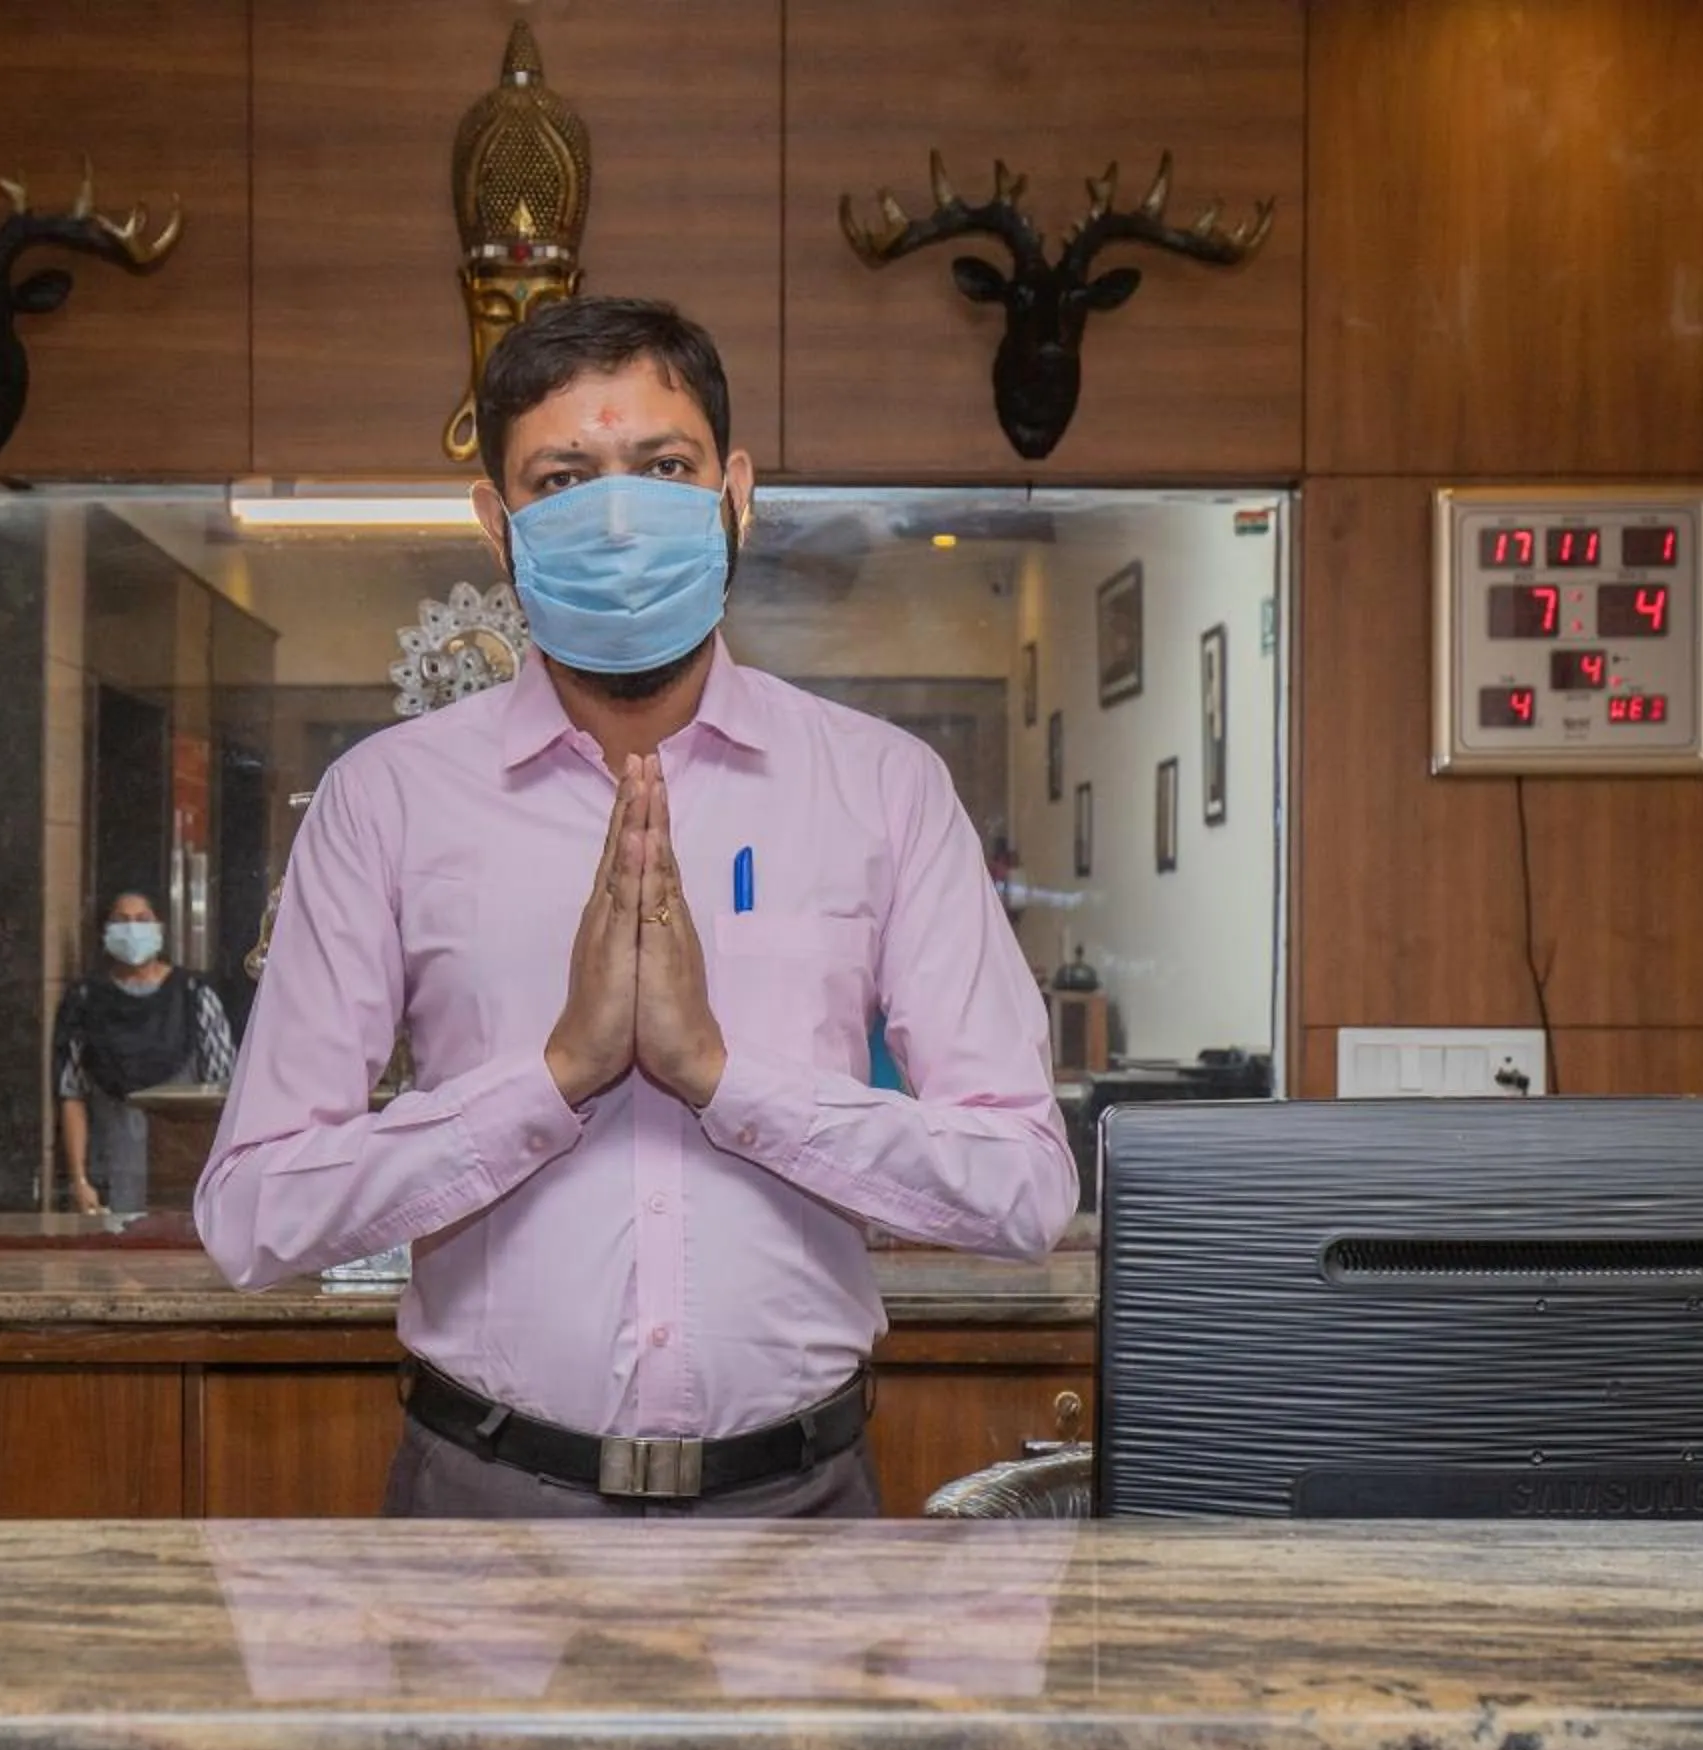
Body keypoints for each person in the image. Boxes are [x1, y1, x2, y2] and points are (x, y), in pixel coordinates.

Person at [196, 296, 1075, 1519]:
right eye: (563, 478)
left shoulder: (881, 789)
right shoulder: (386, 801)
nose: (616, 515)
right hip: (481, 1513)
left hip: (801, 1511)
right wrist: (553, 1077)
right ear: (497, 526)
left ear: (735, 494)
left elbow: (1023, 1189)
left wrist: (722, 1076)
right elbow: (254, 1215)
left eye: (663, 466)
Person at [53, 890, 236, 1215]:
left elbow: (224, 1093)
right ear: (105, 931)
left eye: (142, 920)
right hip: (108, 1168)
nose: (132, 929)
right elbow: (72, 1094)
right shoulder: (84, 1000)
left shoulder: (193, 995)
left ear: (160, 928)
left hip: (183, 1173)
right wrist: (79, 1180)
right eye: (121, 921)